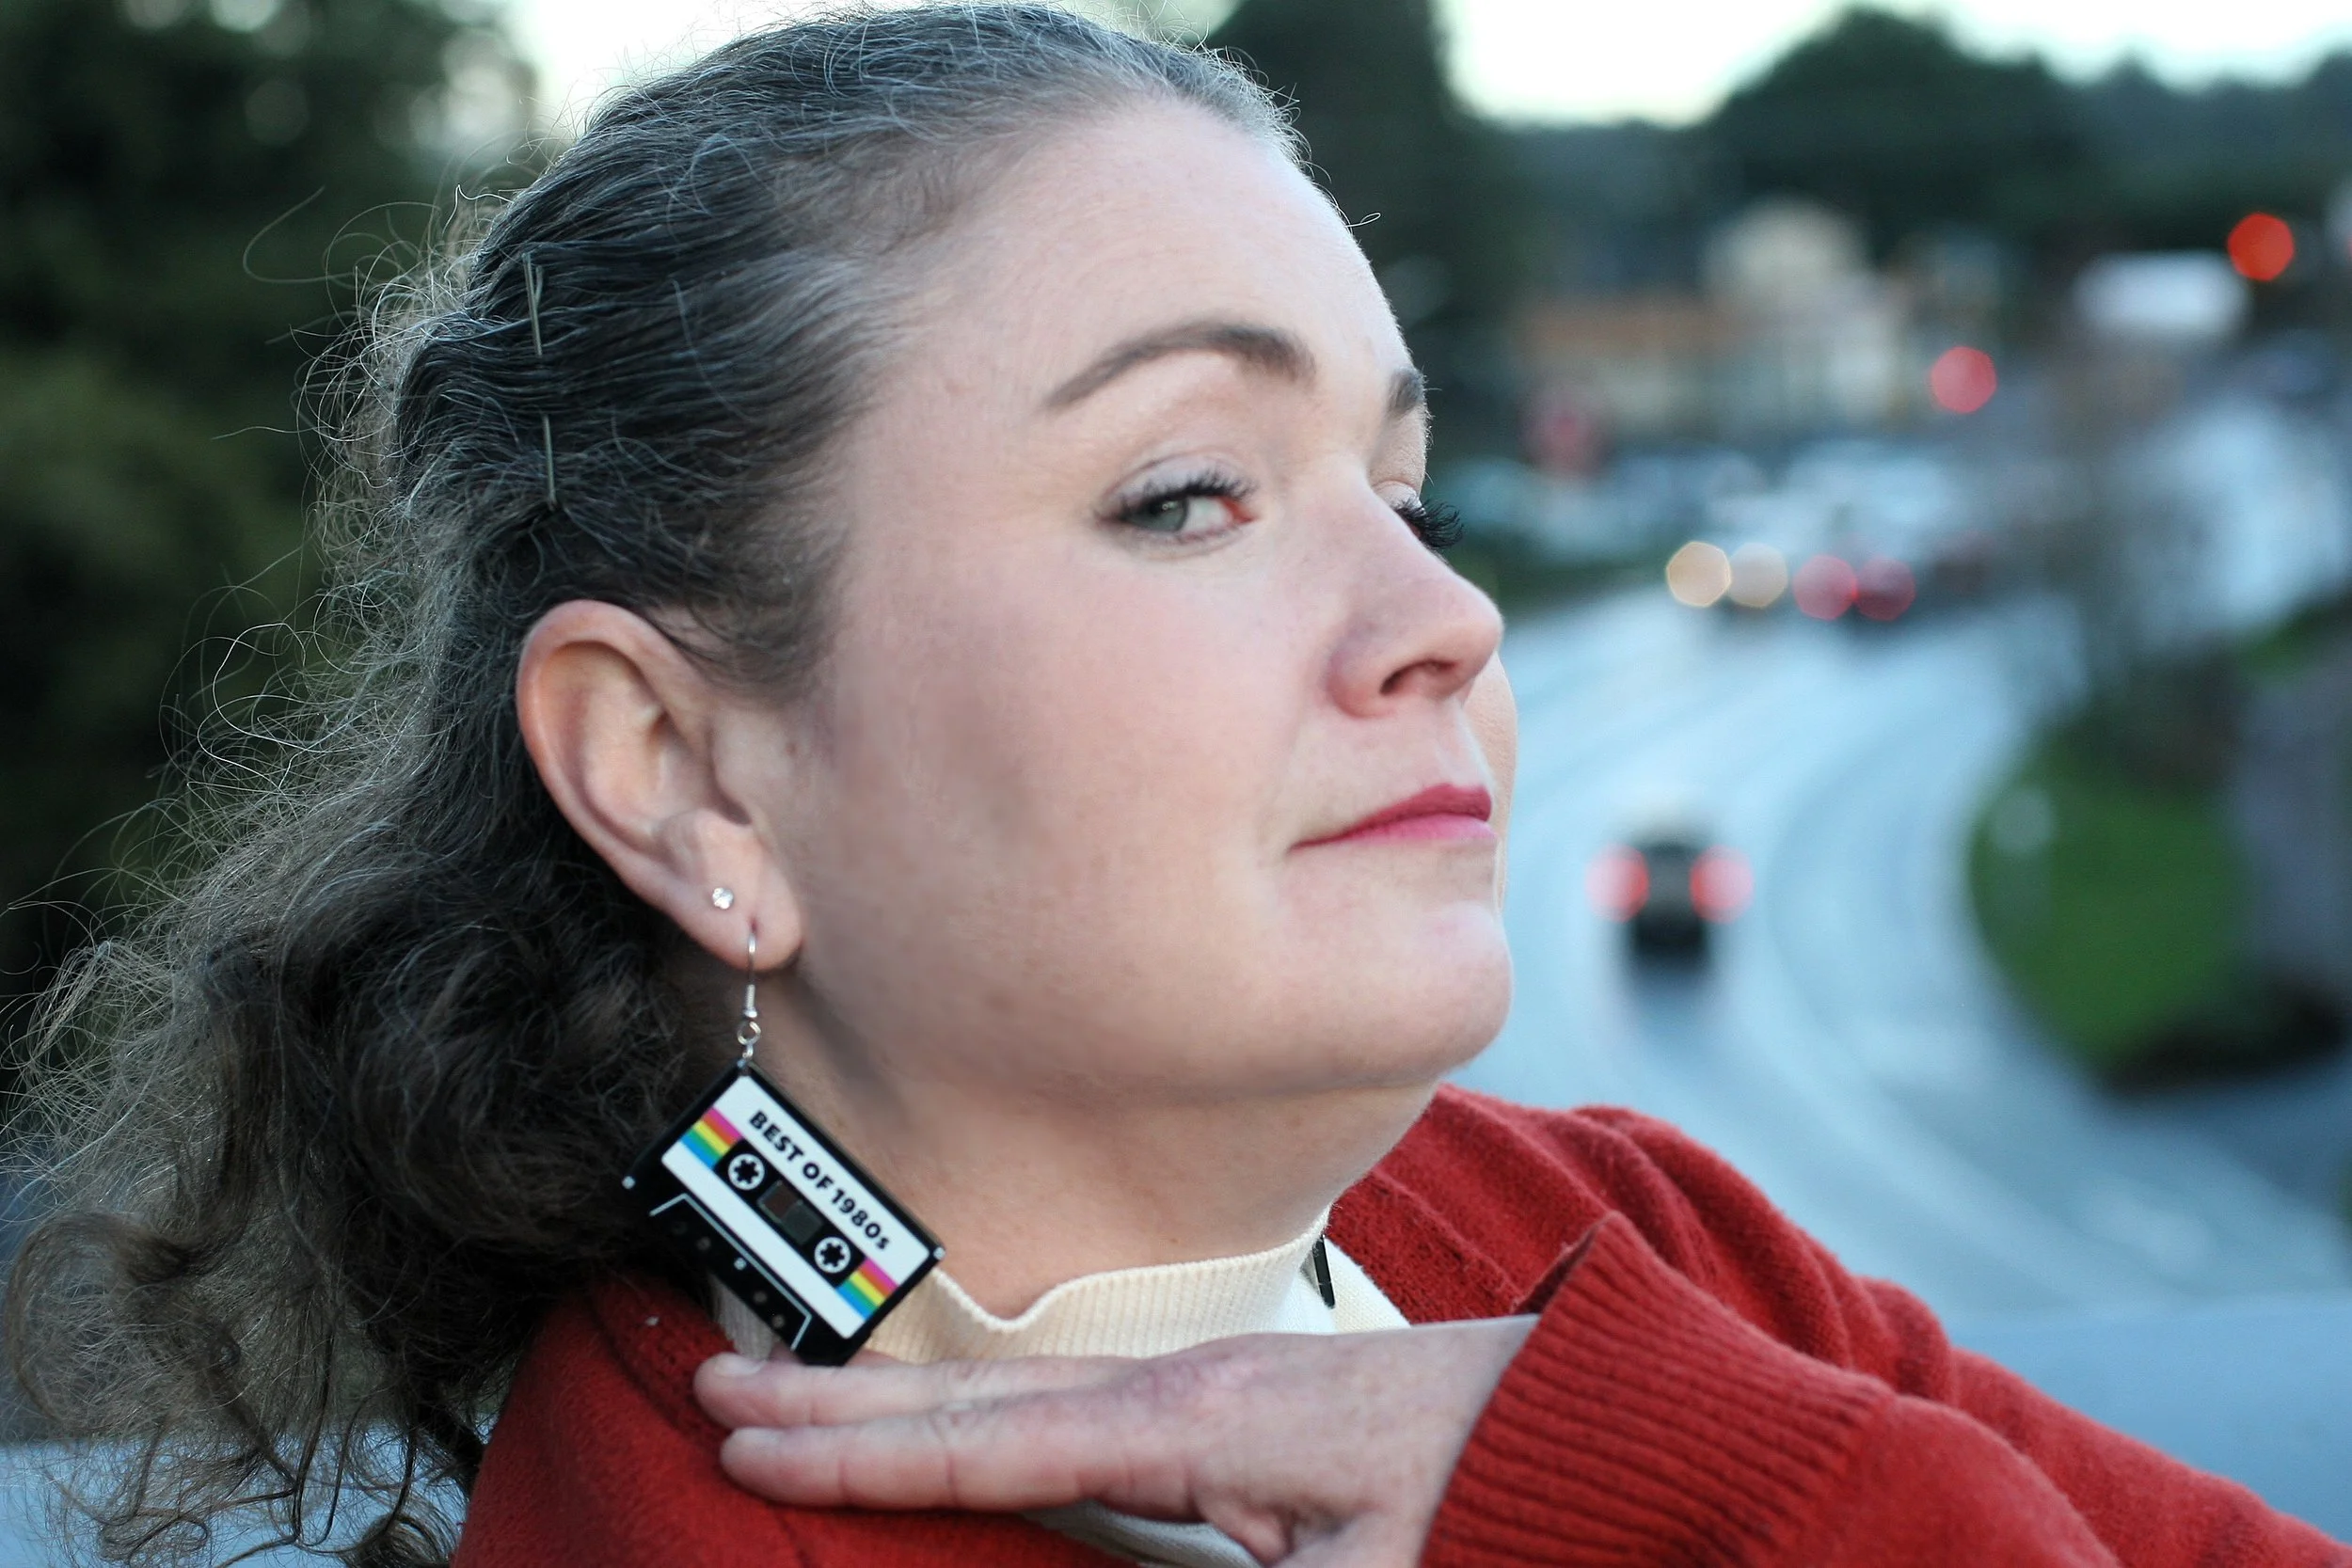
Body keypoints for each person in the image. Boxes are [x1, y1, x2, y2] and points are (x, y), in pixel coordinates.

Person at [6, 8, 2342, 1566]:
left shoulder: (1596, 1235)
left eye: (1401, 484)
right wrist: (1708, 1496)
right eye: (1188, 494)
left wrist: (1623, 1445)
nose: (1446, 616)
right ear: (683, 769)